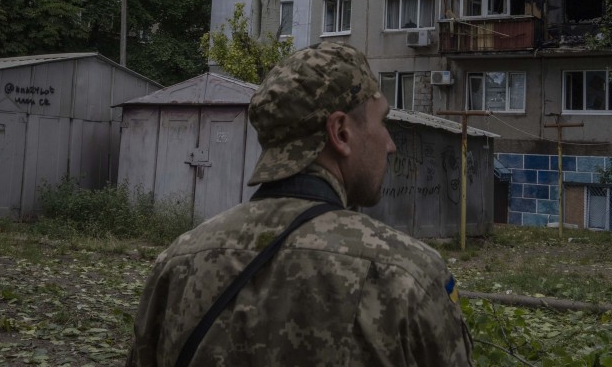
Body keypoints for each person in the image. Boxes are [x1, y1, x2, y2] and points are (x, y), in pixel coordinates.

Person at [126, 41, 474, 366]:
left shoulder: (178, 263)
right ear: (340, 132)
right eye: (381, 121)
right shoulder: (406, 275)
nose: (390, 144)